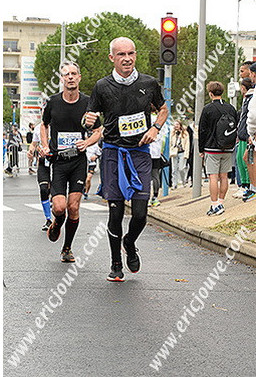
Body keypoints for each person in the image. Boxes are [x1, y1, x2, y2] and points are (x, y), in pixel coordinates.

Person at [83, 37, 168, 282]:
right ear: (112, 58)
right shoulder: (102, 86)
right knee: (116, 212)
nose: (127, 58)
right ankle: (116, 263)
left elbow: (163, 109)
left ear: (136, 55)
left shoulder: (148, 83)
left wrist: (155, 128)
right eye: (121, 54)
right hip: (113, 153)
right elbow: (90, 119)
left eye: (131, 53)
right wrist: (88, 121)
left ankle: (129, 243)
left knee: (140, 213)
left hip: (140, 153)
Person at [39, 61, 101, 263]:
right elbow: (44, 125)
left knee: (73, 207)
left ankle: (67, 248)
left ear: (79, 77)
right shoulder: (53, 102)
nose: (71, 77)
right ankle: (57, 222)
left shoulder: (88, 103)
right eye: (67, 74)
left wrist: (87, 142)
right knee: (59, 208)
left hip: (78, 162)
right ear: (62, 79)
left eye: (74, 73)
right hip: (58, 162)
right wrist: (45, 145)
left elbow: (98, 131)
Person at [198, 81, 238, 216]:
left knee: (213, 177)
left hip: (211, 147)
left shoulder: (207, 109)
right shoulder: (230, 108)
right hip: (227, 147)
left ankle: (214, 205)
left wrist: (201, 149)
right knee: (224, 176)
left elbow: (202, 130)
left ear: (210, 93)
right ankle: (221, 202)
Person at [28, 122, 53, 231]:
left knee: (55, 191)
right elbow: (34, 144)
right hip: (43, 162)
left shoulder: (59, 122)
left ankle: (58, 215)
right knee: (43, 189)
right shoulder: (38, 127)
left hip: (57, 162)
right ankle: (48, 219)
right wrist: (30, 151)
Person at [233, 78, 254, 199]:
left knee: (246, 160)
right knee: (240, 160)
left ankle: (249, 185)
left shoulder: (251, 98)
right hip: (242, 134)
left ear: (243, 87)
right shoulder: (246, 99)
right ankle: (245, 185)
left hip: (246, 134)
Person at [243, 62, 256, 202]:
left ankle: (255, 188)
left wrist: (251, 133)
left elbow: (253, 115)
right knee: (247, 158)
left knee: (250, 158)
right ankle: (253, 187)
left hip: (255, 132)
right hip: (254, 132)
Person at [149, 111, 165, 206]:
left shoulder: (146, 117)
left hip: (146, 151)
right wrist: (161, 149)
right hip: (156, 152)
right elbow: (164, 138)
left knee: (145, 175)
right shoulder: (161, 119)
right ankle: (155, 197)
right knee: (155, 175)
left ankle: (146, 197)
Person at [169, 120, 190, 189]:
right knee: (174, 169)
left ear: (180, 125)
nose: (176, 126)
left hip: (182, 152)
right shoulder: (172, 133)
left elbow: (187, 144)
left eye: (177, 124)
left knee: (181, 168)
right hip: (174, 152)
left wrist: (186, 154)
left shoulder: (185, 133)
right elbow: (170, 143)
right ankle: (174, 184)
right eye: (175, 125)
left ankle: (183, 181)